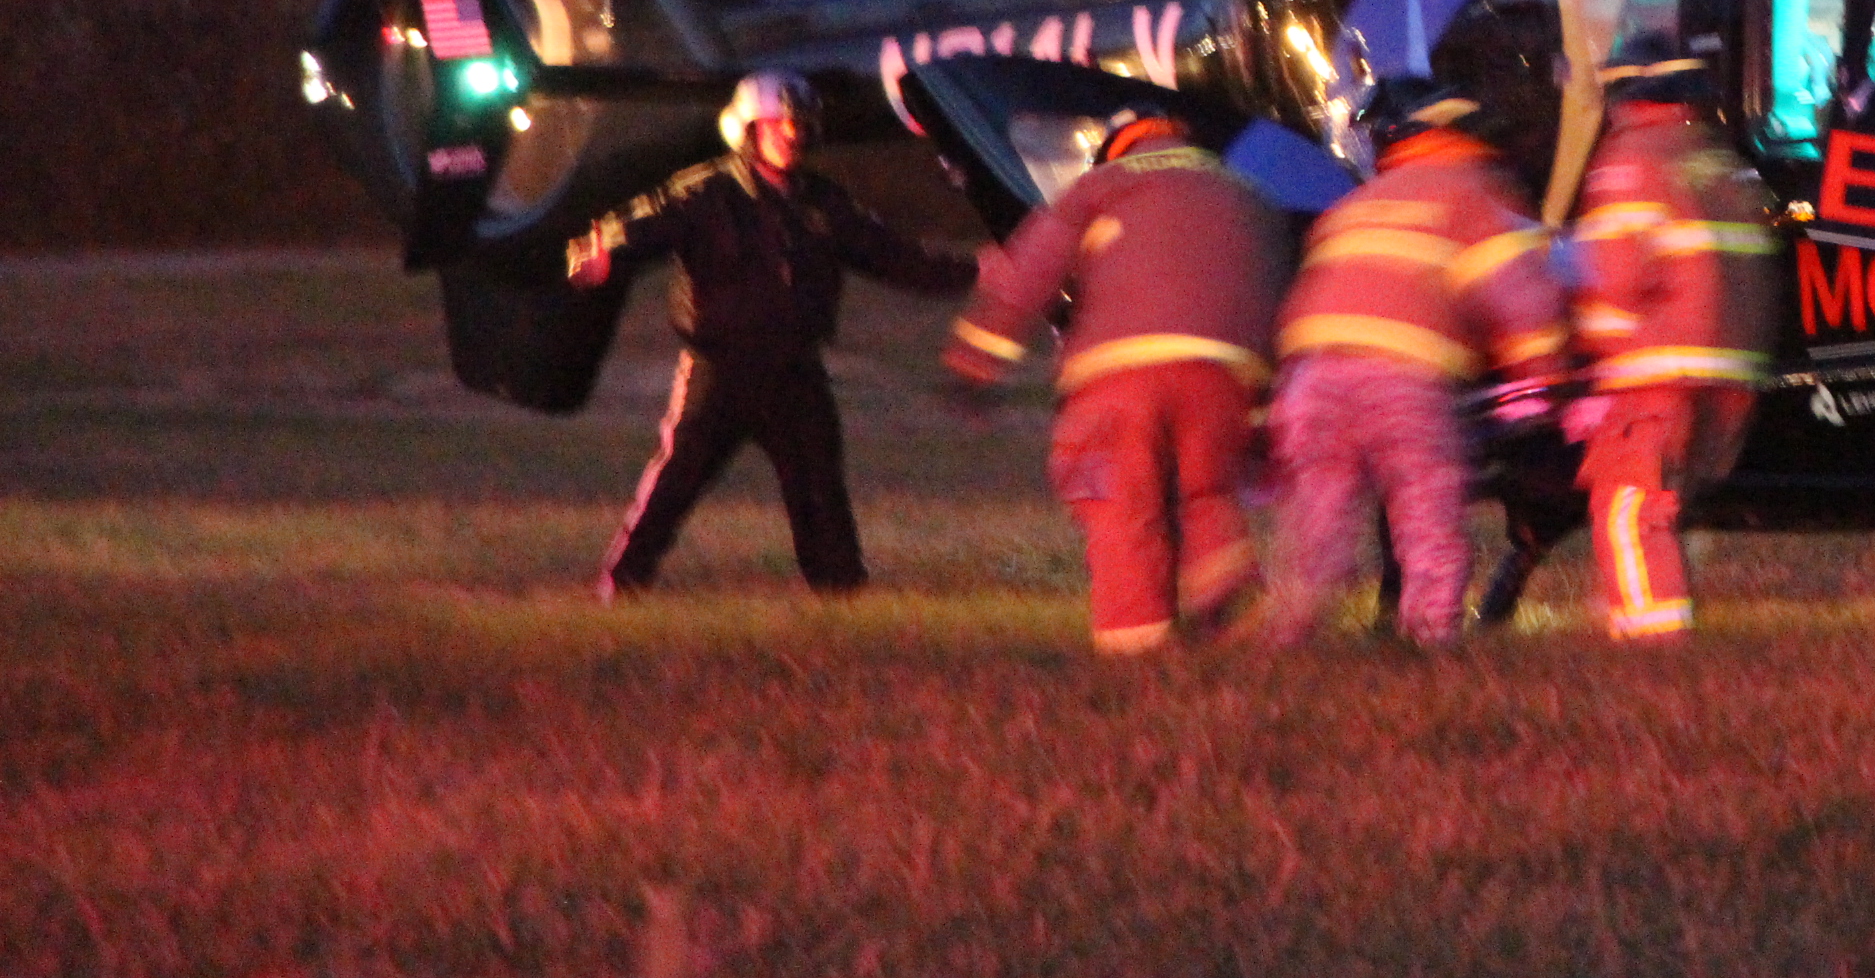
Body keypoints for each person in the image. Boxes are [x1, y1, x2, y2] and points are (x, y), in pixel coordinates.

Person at [568, 69, 978, 597]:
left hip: (795, 373)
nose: (791, 134)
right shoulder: (705, 192)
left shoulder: (826, 202)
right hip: (719, 373)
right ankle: (620, 587)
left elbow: (894, 257)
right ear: (748, 129)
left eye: (799, 124)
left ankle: (842, 601)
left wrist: (975, 273)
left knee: (820, 494)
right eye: (777, 124)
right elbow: (635, 226)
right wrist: (601, 256)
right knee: (674, 484)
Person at [940, 106, 1291, 654]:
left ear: (1115, 148)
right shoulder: (1243, 193)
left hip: (1120, 371)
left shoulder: (1099, 188)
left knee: (1118, 498)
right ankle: (1228, 588)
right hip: (1226, 373)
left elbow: (1029, 273)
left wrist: (974, 362)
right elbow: (1273, 288)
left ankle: (1137, 642)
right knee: (1206, 489)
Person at [1263, 79, 1566, 648]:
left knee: (1319, 518)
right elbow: (1518, 296)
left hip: (1314, 376)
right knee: (1427, 509)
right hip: (1402, 378)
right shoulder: (1472, 194)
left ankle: (1288, 633)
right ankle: (1429, 637)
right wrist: (1544, 371)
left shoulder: (1356, 204)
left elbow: (1307, 294)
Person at [1567, 46, 1784, 638]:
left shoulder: (1630, 159)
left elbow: (1613, 276)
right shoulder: (1724, 166)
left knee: (1628, 512)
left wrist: (1596, 359)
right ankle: (1648, 626)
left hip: (1657, 372)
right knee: (1664, 508)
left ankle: (1653, 649)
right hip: (1731, 374)